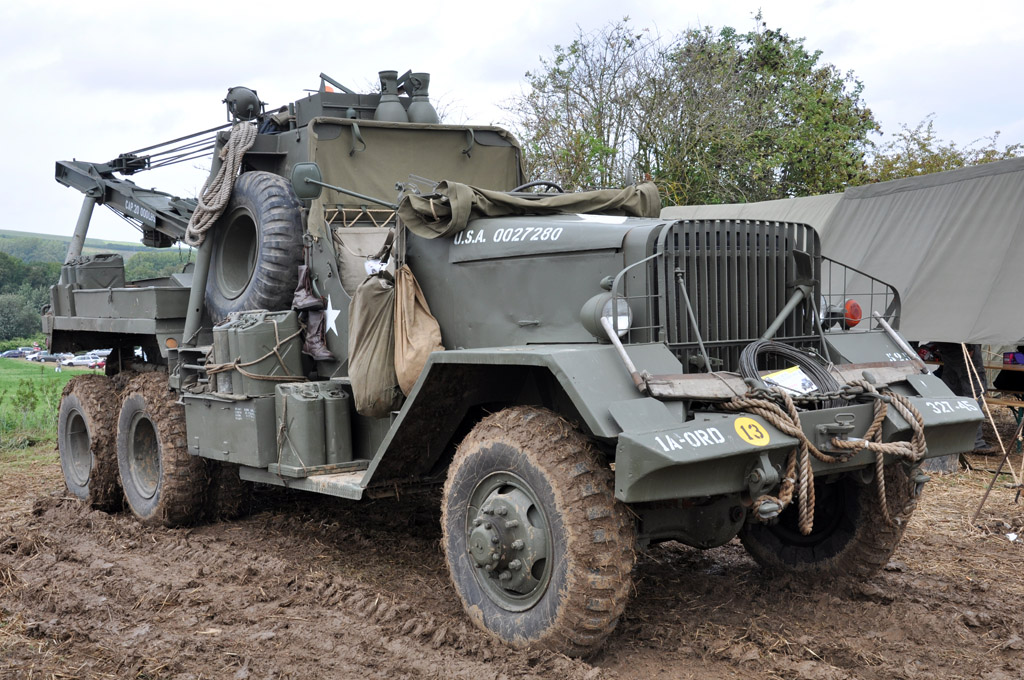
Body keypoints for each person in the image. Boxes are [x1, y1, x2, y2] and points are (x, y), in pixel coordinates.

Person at [932, 342, 992, 452]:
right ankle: (974, 442)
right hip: (963, 349)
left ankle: (950, 437)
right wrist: (970, 346)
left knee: (952, 394)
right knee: (974, 395)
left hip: (947, 348)